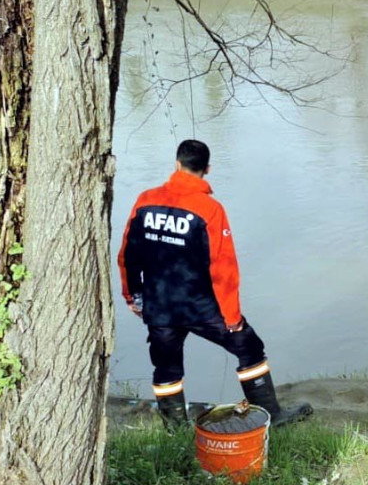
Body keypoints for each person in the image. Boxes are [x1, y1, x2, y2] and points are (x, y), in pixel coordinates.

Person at [118, 140, 312, 430]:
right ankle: (272, 415)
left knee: (166, 367)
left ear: (177, 164)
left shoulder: (145, 200)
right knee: (250, 348)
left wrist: (132, 295)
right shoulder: (210, 209)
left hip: (159, 304)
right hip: (201, 306)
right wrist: (232, 319)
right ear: (207, 169)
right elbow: (224, 268)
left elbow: (127, 254)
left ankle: (175, 430)